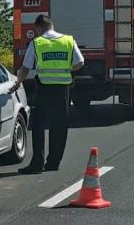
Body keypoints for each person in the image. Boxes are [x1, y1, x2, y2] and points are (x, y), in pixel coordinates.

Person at [10, 14, 84, 174]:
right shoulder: (68, 41)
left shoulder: (37, 43)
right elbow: (80, 62)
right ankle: (53, 162)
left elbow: (25, 68)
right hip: (63, 89)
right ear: (52, 25)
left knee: (38, 124)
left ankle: (37, 163)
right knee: (60, 124)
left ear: (38, 28)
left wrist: (17, 83)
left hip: (44, 89)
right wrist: (67, 70)